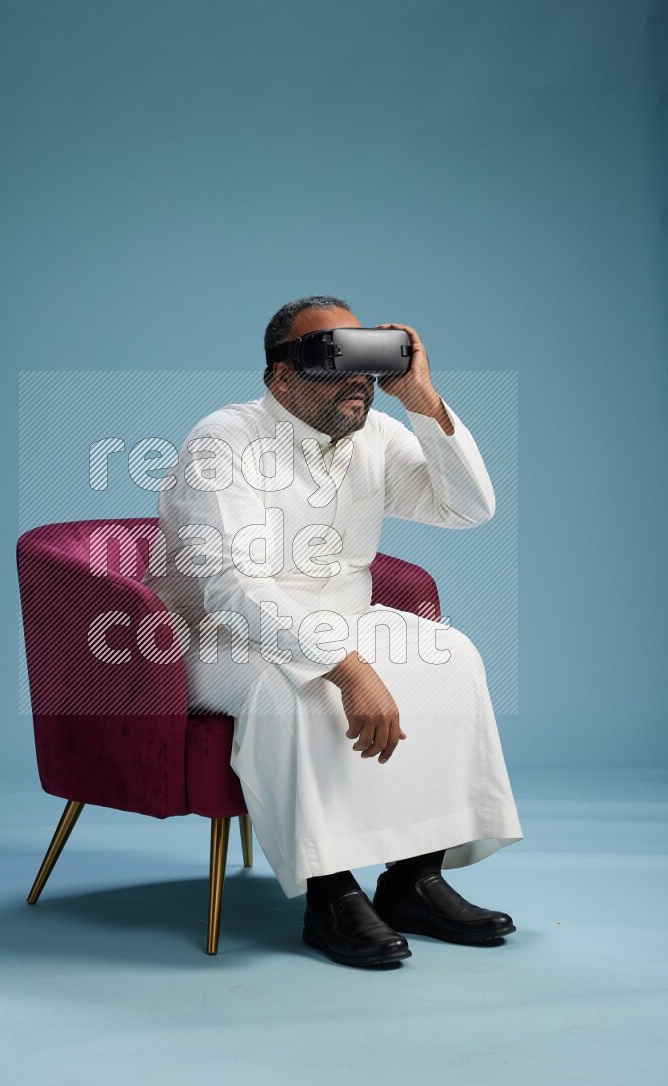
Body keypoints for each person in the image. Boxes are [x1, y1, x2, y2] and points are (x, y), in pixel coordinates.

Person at [142, 295, 523, 967]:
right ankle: (330, 892)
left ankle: (413, 879)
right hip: (214, 637)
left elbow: (469, 508)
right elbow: (233, 589)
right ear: (280, 376)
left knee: (450, 655)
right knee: (298, 691)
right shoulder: (224, 441)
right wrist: (347, 668)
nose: (359, 380)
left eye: (369, 361)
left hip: (341, 619)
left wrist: (424, 403)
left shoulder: (372, 435)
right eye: (333, 359)